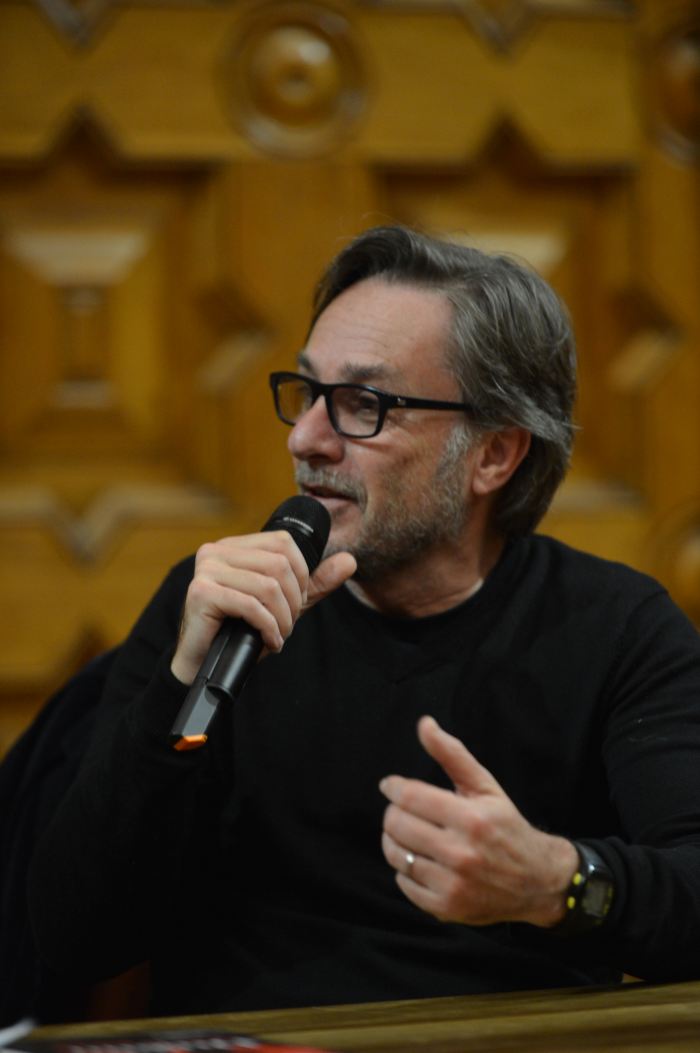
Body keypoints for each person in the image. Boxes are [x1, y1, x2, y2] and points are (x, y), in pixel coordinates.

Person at [28, 226, 700, 1017]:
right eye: (307, 392)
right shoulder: (219, 611)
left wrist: (558, 882)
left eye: (363, 405)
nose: (306, 438)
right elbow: (68, 937)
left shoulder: (615, 629)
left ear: (493, 454)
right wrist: (178, 688)